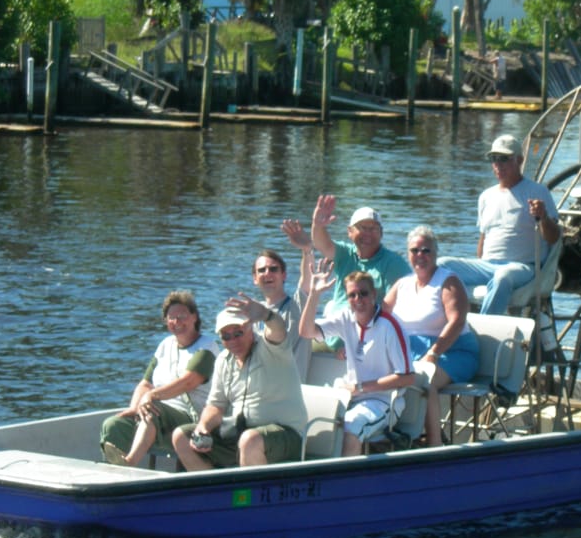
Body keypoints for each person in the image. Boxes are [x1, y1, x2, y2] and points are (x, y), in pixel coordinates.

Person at [171, 295, 308, 471]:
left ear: (251, 329)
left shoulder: (272, 349)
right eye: (226, 336)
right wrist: (203, 428)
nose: (233, 340)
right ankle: (216, 491)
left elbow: (278, 328)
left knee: (249, 440)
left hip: (286, 435)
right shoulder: (223, 360)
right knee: (181, 436)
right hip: (240, 435)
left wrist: (266, 315)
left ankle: (252, 497)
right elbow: (216, 405)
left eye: (238, 333)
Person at [439, 134, 561, 315]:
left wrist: (543, 216)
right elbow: (483, 238)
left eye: (504, 159)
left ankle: (484, 328)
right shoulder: (486, 196)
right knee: (440, 265)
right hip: (487, 265)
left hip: (522, 267)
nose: (498, 164)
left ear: (519, 160)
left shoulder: (538, 191)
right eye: (493, 159)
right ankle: (446, 324)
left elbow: (554, 238)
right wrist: (479, 262)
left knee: (502, 277)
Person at [300, 266, 414, 456]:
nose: (358, 300)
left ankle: (345, 482)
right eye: (352, 295)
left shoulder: (390, 326)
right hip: (350, 395)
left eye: (363, 293)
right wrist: (313, 294)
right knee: (309, 417)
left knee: (350, 427)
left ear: (374, 295)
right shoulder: (346, 318)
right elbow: (306, 332)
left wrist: (361, 387)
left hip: (383, 401)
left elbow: (408, 378)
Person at [384, 226, 479, 447]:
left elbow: (457, 321)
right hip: (412, 351)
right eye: (414, 250)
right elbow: (381, 317)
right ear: (407, 254)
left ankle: (434, 444)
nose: (420, 255)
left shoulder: (448, 281)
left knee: (423, 380)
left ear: (435, 253)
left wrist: (433, 353)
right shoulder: (402, 284)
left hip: (452, 351)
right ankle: (396, 435)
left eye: (426, 250)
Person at [100, 291, 219, 467]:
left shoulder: (206, 348)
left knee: (152, 409)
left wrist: (152, 397)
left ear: (194, 317)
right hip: (158, 414)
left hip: (192, 419)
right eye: (171, 318)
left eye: (182, 316)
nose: (177, 322)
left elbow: (188, 381)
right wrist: (134, 408)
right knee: (113, 425)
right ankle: (112, 476)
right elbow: (146, 383)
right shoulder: (165, 345)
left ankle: (129, 463)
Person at [310, 195, 410, 350]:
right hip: (332, 336)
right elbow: (321, 244)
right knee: (297, 341)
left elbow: (397, 310)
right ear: (350, 232)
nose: (368, 234)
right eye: (362, 228)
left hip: (365, 341)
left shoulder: (394, 264)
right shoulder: (345, 254)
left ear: (381, 233)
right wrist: (318, 225)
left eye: (374, 229)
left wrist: (358, 343)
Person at [252, 218, 313, 375]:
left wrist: (307, 250)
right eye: (262, 270)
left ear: (283, 275)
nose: (267, 273)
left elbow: (307, 279)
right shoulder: (253, 314)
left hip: (288, 393)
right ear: (254, 278)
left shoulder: (299, 306)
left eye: (273, 269)